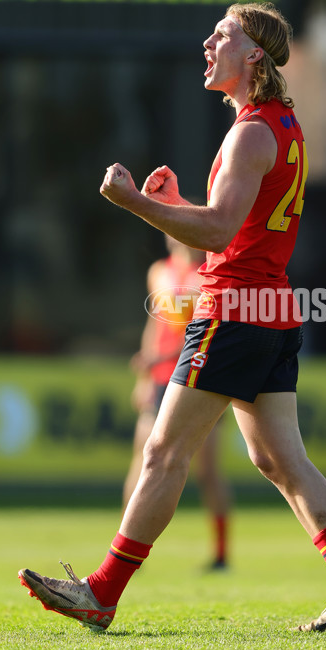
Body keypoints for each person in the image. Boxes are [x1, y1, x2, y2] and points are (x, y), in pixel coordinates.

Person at [19, 1, 326, 634]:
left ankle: (101, 592)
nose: (209, 42)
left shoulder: (249, 131)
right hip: (269, 307)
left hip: (234, 311)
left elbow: (219, 232)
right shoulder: (279, 124)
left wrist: (134, 203)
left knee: (163, 451)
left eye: (224, 35)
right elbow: (234, 228)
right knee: (280, 461)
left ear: (254, 57)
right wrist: (179, 204)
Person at [125, 234, 231, 568]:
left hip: (200, 377)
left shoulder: (208, 277)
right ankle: (127, 553)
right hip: (159, 380)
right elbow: (154, 324)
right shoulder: (159, 271)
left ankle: (221, 553)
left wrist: (158, 357)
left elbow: (203, 333)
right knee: (141, 463)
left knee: (207, 471)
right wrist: (145, 375)